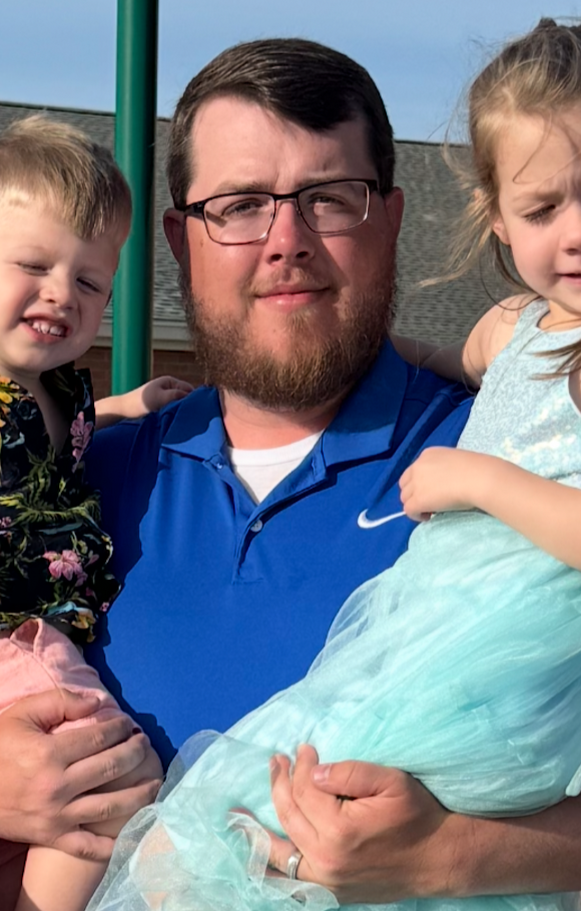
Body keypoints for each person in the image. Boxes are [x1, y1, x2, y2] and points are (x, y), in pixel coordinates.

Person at [4, 32, 581, 909]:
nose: (286, 241)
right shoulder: (73, 484)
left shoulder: (518, 454)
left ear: (391, 217)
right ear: (179, 240)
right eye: (238, 205)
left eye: (329, 198)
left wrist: (457, 854)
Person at [0, 116, 193, 911]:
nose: (60, 294)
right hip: (14, 638)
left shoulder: (62, 390)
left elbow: (65, 432)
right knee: (115, 776)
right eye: (32, 265)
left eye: (88, 283)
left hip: (43, 633)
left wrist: (125, 404)